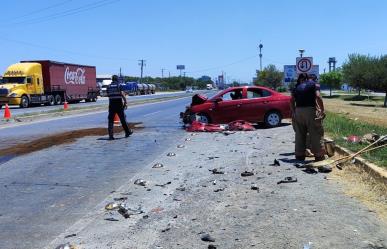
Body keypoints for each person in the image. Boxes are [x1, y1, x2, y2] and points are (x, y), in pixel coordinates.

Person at [290, 73, 325, 161]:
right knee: (315, 133)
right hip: (310, 111)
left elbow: (291, 100)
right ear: (314, 79)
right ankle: (319, 155)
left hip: (298, 111)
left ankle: (299, 155)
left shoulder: (298, 86)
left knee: (300, 133)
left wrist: (294, 112)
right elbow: (318, 96)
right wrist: (322, 110)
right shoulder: (315, 85)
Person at [107, 75, 132, 140]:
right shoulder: (119, 85)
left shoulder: (108, 87)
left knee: (110, 121)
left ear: (112, 80)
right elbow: (122, 94)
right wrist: (125, 102)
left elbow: (108, 95)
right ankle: (127, 132)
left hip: (111, 104)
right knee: (123, 119)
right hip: (118, 104)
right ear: (117, 79)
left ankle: (111, 136)